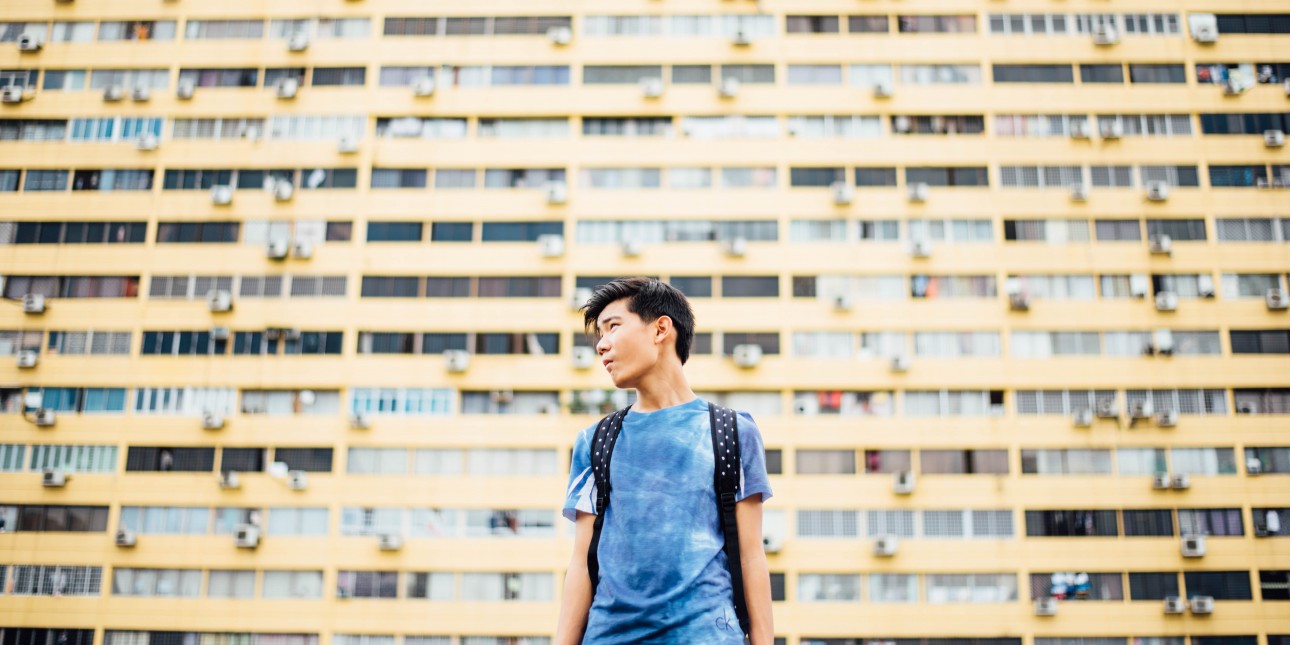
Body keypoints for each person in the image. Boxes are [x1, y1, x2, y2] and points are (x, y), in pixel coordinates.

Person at [555, 277, 774, 644]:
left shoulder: (733, 432)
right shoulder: (595, 441)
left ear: (660, 329)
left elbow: (752, 556)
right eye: (599, 335)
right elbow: (581, 563)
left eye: (613, 327)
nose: (601, 345)